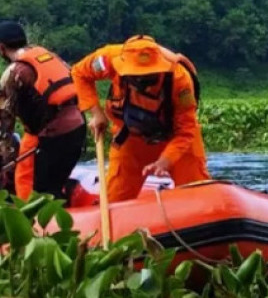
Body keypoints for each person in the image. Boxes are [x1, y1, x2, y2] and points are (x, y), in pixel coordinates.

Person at [71, 35, 210, 202]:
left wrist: (165, 161)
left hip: (176, 140)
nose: (142, 81)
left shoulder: (179, 79)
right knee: (114, 199)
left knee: (196, 197)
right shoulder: (109, 59)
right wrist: (96, 112)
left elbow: (186, 130)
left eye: (148, 77)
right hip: (131, 139)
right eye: (136, 77)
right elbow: (79, 73)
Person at [0, 21, 86, 202]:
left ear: (2, 48)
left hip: (52, 137)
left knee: (36, 193)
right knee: (52, 184)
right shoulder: (48, 56)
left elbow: (4, 120)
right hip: (78, 129)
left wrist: (5, 159)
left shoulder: (14, 72)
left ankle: (33, 224)